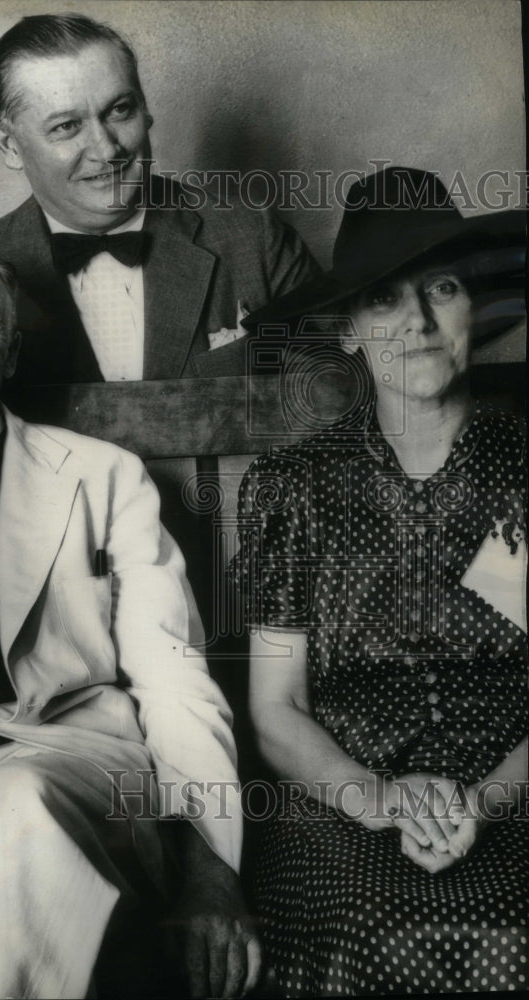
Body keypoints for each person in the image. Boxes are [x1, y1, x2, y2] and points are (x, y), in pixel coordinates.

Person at [0, 238, 263, 999]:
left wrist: (210, 863)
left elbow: (173, 678)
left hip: (82, 780)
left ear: (12, 346)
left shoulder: (101, 476)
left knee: (15, 807)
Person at [232, 166, 527, 995]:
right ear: (350, 330)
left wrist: (483, 804)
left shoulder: (520, 476)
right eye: (384, 300)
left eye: (440, 289)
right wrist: (381, 801)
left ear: (477, 304)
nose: (419, 324)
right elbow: (276, 710)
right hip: (341, 803)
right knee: (375, 928)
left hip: (513, 793)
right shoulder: (294, 489)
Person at [0, 11, 318, 408]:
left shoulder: (255, 240)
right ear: (9, 146)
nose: (106, 149)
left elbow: (338, 401)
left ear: (146, 110)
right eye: (66, 126)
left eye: (119, 110)